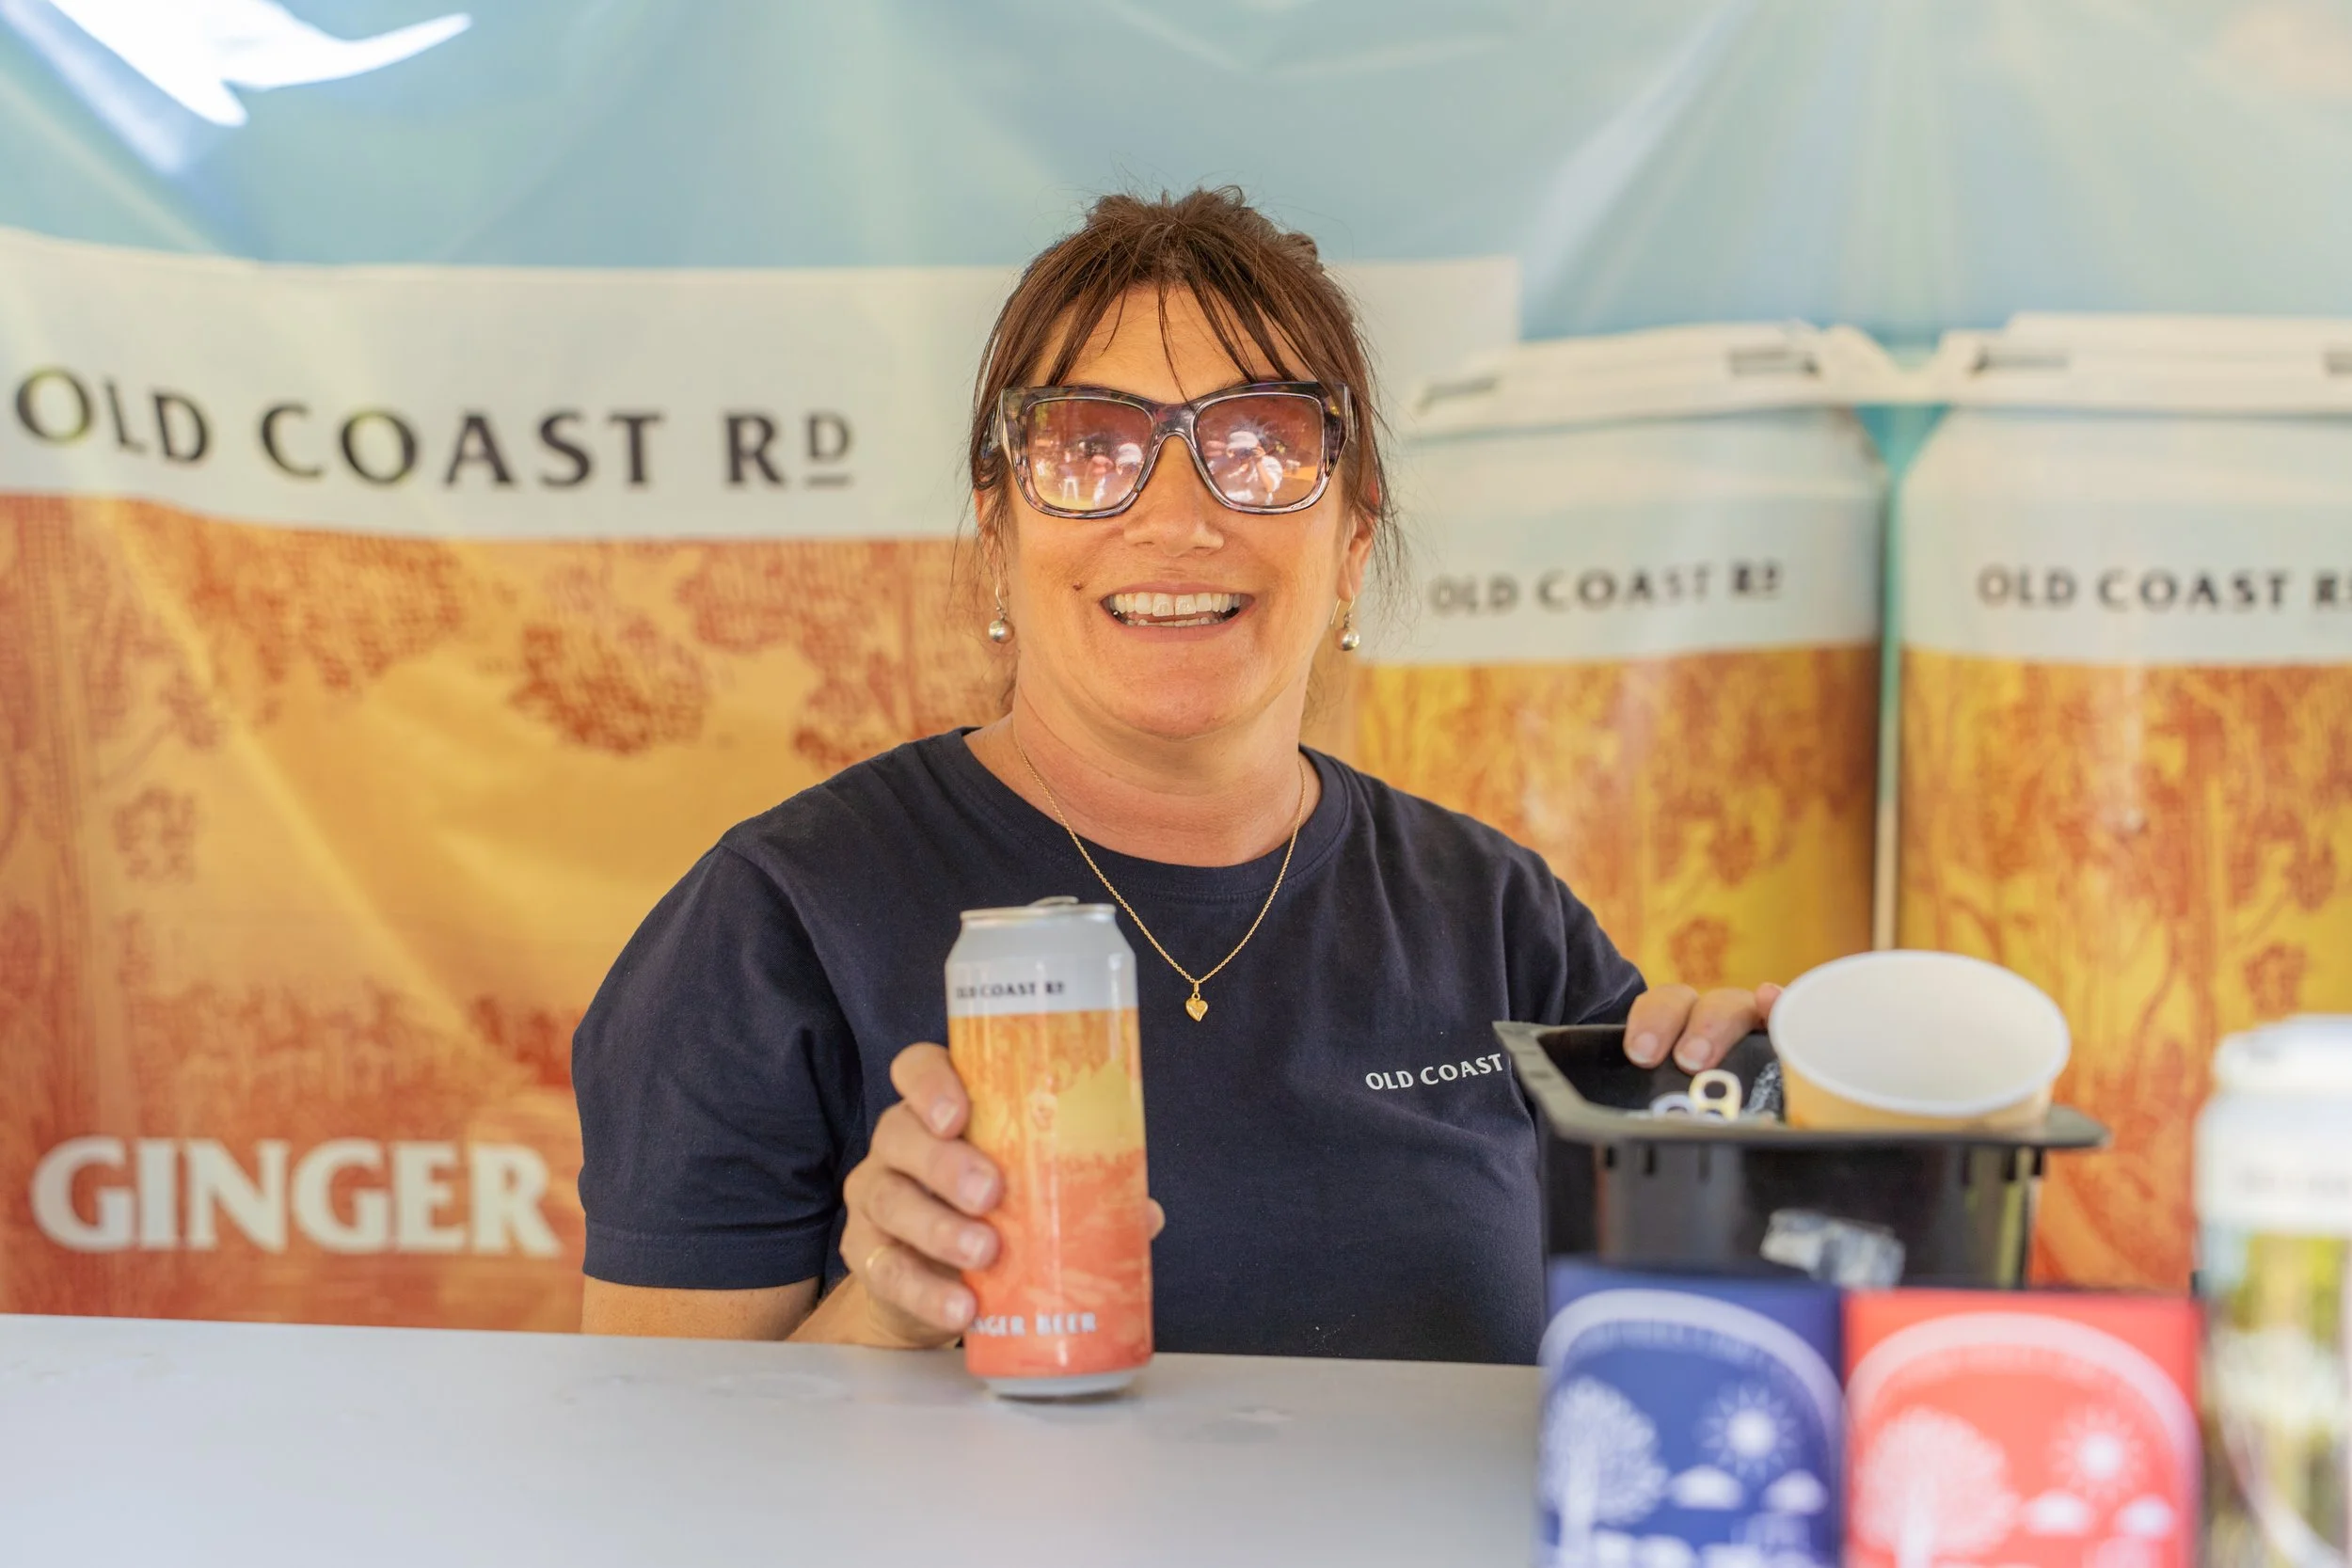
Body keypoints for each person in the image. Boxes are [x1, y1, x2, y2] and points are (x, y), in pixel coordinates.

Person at [573, 188, 1781, 1363]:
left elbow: (1697, 1362)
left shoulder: (1502, 919)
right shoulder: (775, 918)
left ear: (1352, 539)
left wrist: (1776, 1127)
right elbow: (653, 1487)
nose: (1178, 518)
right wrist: (885, 1314)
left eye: (1260, 448)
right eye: (1088, 448)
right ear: (997, 534)